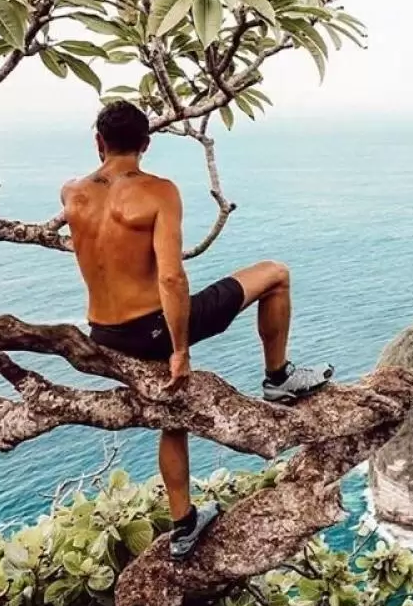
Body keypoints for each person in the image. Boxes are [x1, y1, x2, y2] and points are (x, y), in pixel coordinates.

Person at [61, 100, 333, 559]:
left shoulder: (71, 193)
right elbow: (170, 277)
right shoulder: (159, 192)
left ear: (98, 142)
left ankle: (184, 523)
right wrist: (180, 349)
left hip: (102, 333)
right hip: (153, 329)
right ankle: (277, 378)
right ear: (146, 144)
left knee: (175, 415)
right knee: (275, 273)